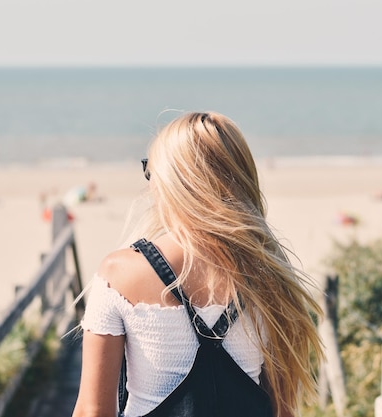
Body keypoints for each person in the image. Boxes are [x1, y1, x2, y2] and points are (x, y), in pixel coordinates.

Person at [71, 111, 324, 417]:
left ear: (171, 181)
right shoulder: (269, 274)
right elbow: (282, 410)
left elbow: (91, 411)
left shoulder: (120, 274)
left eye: (149, 170)